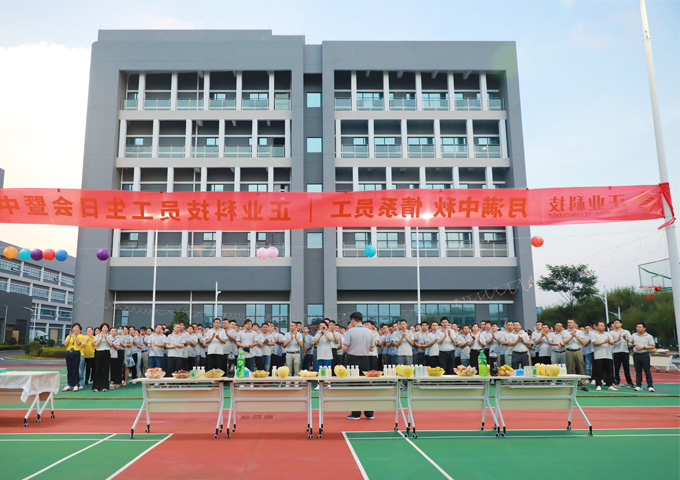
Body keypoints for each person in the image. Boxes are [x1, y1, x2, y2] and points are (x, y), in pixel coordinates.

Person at [342, 312, 375, 420]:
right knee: (366, 387)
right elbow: (372, 349)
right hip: (365, 359)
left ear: (352, 320)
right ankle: (369, 413)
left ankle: (356, 413)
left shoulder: (350, 331)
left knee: (354, 387)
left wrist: (343, 343)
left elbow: (345, 348)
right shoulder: (369, 332)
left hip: (352, 359)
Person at [562, 319, 589, 391]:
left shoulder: (580, 332)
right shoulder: (564, 332)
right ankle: (570, 383)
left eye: (571, 322)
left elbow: (583, 342)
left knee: (581, 367)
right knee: (570, 368)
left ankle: (583, 384)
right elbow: (565, 342)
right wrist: (571, 337)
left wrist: (576, 336)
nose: (569, 324)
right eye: (568, 322)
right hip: (569, 351)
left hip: (578, 350)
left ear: (574, 324)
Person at [590, 320, 617, 391]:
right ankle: (598, 384)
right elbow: (594, 343)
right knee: (599, 371)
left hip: (608, 355)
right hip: (598, 355)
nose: (603, 327)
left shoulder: (607, 334)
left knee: (609, 371)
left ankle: (610, 385)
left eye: (604, 326)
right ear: (596, 327)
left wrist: (609, 342)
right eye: (601, 325)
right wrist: (604, 342)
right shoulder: (593, 334)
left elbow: (612, 342)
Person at [629, 322, 655, 392]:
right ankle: (638, 385)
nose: (638, 328)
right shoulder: (634, 335)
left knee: (647, 371)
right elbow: (630, 342)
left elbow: (652, 346)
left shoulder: (649, 336)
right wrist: (632, 345)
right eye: (637, 327)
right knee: (638, 371)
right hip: (636, 354)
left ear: (644, 328)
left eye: (640, 327)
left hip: (644, 354)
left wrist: (643, 347)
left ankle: (650, 386)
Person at [610, 319, 633, 388]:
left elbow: (631, 340)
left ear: (621, 324)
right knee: (616, 368)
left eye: (617, 322)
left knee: (626, 368)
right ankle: (617, 382)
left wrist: (626, 338)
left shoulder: (626, 332)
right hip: (616, 352)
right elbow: (611, 341)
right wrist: (618, 340)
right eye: (614, 323)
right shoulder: (611, 332)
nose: (615, 324)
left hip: (625, 351)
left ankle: (629, 383)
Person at [92, 323, 114, 392]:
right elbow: (96, 344)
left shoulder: (109, 335)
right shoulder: (97, 336)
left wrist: (106, 337)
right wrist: (101, 338)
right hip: (99, 352)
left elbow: (111, 344)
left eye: (106, 327)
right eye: (104, 327)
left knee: (106, 369)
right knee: (98, 369)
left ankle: (105, 386)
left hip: (106, 352)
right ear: (101, 328)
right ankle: (96, 386)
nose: (105, 329)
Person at [63, 323, 84, 392]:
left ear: (79, 329)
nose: (76, 328)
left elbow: (78, 343)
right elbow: (65, 344)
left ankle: (75, 384)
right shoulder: (69, 336)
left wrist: (75, 336)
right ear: (72, 328)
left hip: (76, 353)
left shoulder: (81, 336)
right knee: (69, 369)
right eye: (75, 327)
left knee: (75, 369)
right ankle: (69, 384)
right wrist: (70, 337)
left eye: (77, 327)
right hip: (69, 352)